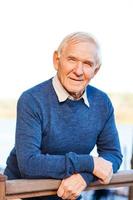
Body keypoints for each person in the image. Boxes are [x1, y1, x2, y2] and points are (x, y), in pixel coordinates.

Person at [4, 32, 122, 200]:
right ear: (56, 60)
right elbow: (29, 164)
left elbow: (113, 154)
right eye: (72, 60)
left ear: (96, 70)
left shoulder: (102, 102)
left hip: (68, 194)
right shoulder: (31, 99)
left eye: (87, 63)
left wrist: (85, 176)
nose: (78, 71)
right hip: (20, 193)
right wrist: (90, 163)